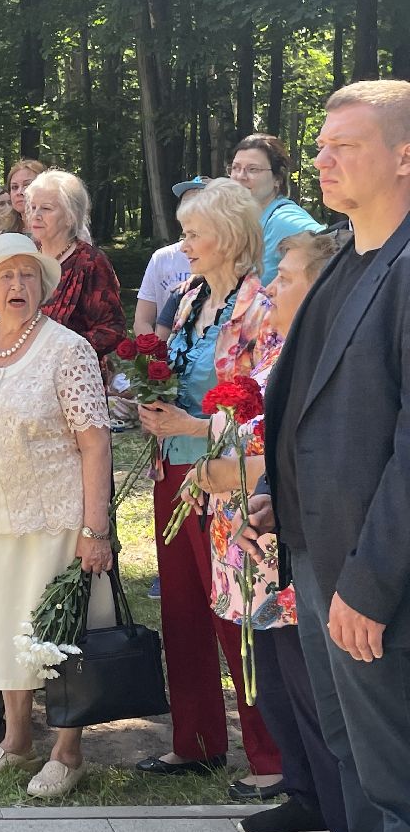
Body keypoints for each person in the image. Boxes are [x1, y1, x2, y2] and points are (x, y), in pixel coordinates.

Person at [260, 80, 410, 832]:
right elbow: (315, 405)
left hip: (374, 582)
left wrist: (371, 585)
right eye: (319, 145)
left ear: (404, 156)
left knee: (397, 783)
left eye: (343, 146)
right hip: (319, 558)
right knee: (354, 768)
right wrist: (268, 493)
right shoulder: (349, 260)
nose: (320, 160)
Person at [0, 231, 114, 798]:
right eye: (6, 275)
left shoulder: (68, 348)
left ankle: (68, 751)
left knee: (60, 638)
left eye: (28, 274)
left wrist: (95, 529)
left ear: (43, 284)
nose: (18, 285)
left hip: (56, 520)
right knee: (5, 631)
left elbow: (96, 443)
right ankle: (15, 741)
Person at [186, 231, 346, 832]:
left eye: (286, 276)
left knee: (311, 688)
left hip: (292, 548)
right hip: (254, 546)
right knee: (279, 685)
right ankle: (307, 796)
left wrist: (234, 473)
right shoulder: (282, 349)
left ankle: (343, 817)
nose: (272, 287)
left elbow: (315, 450)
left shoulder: (327, 353)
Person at [135, 178, 280, 789]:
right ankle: (195, 740)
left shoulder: (261, 308)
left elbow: (268, 402)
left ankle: (273, 758)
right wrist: (148, 399)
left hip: (229, 479)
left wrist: (196, 422)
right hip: (177, 469)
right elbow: (169, 368)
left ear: (226, 235)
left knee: (242, 614)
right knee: (184, 608)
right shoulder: (190, 296)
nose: (184, 243)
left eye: (193, 233)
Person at [24, 170, 127, 368]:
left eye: (46, 208)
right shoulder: (25, 256)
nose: (35, 215)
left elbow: (112, 330)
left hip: (73, 378)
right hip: (24, 376)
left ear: (70, 216)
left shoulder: (90, 262)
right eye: (33, 207)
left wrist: (62, 350)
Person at [229, 133, 320, 285]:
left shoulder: (284, 220)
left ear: (277, 179)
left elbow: (331, 248)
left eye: (253, 169)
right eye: (235, 168)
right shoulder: (245, 222)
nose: (240, 176)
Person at [134, 177, 204, 337]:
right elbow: (142, 320)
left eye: (199, 204)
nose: (190, 210)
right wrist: (154, 357)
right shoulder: (162, 258)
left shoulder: (229, 265)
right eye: (185, 203)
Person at [3, 158, 47, 234]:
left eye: (27, 185)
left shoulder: (57, 233)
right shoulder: (4, 235)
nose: (19, 192)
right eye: (14, 187)